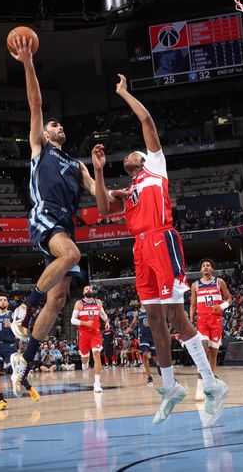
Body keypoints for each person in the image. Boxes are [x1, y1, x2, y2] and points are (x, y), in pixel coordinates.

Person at [90, 74, 228, 428]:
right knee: (154, 321)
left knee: (175, 316)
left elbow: (147, 121)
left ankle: (212, 385)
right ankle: (170, 388)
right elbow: (104, 209)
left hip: (161, 239)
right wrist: (100, 172)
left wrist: (122, 92)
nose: (130, 154)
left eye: (133, 151)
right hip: (139, 249)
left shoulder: (155, 167)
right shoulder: (130, 189)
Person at [7, 36, 104, 400]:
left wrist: (103, 173)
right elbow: (35, 102)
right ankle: (23, 308)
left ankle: (25, 361)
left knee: (60, 297)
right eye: (53, 125)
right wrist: (28, 62)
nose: (57, 127)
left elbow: (100, 196)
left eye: (60, 126)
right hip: (45, 214)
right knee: (73, 255)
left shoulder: (76, 164)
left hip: (66, 222)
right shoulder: (40, 147)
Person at [189, 258, 232, 400]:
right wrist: (190, 320)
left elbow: (229, 299)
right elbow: (193, 305)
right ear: (201, 270)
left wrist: (222, 306)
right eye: (203, 266)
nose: (206, 267)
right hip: (202, 320)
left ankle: (210, 384)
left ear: (212, 269)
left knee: (213, 353)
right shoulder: (195, 285)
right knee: (203, 349)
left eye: (208, 266)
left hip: (216, 320)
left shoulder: (219, 282)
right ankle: (199, 386)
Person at [71, 285, 109, 393]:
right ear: (83, 292)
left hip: (95, 332)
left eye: (90, 288)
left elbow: (102, 314)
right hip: (83, 333)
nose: (88, 289)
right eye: (86, 289)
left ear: (92, 291)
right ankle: (85, 364)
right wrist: (84, 323)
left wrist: (107, 321)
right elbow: (72, 320)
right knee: (85, 358)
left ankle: (97, 384)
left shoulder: (98, 302)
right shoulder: (79, 303)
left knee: (96, 354)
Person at [127, 306, 156, 387]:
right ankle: (149, 377)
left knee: (156, 358)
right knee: (145, 354)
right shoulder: (137, 313)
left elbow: (158, 321)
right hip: (143, 336)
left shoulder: (152, 309)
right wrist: (130, 328)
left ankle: (159, 367)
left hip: (153, 336)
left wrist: (151, 323)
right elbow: (134, 323)